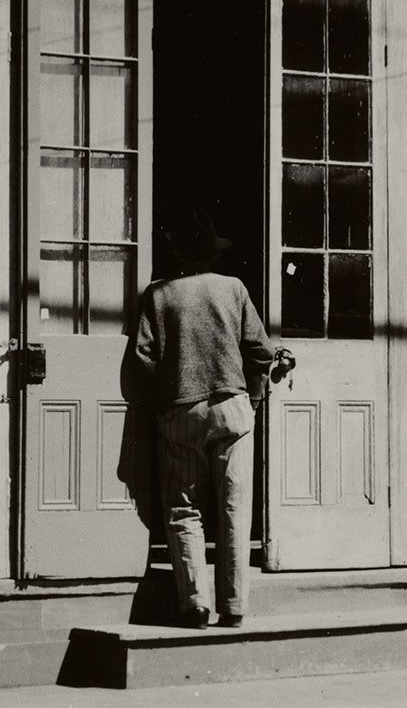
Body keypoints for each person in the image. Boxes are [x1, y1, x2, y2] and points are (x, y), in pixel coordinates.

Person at [126, 212, 281, 630]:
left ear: (178, 252)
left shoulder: (159, 295)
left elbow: (143, 359)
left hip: (180, 410)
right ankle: (233, 606)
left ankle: (194, 602)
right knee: (234, 509)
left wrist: (164, 400)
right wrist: (253, 395)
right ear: (212, 253)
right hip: (232, 408)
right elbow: (261, 351)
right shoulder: (233, 289)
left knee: (183, 510)